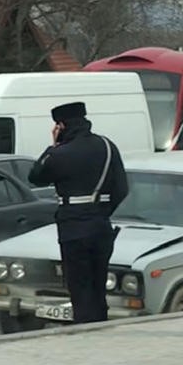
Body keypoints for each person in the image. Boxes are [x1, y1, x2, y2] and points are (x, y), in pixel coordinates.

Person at [29, 101, 128, 324]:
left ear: (61, 126)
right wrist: (100, 211)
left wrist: (53, 145)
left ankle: (86, 335)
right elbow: (122, 189)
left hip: (73, 228)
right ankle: (101, 328)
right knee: (98, 286)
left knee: (79, 288)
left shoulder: (60, 154)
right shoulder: (107, 146)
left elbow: (35, 175)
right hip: (101, 226)